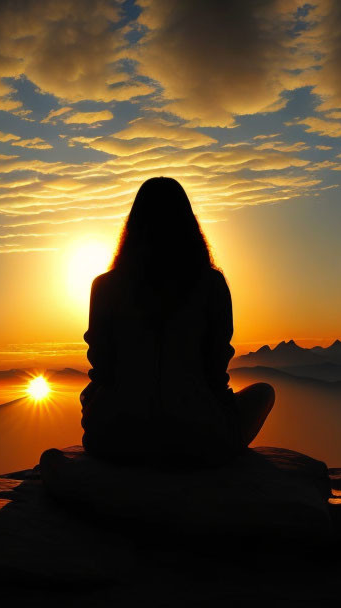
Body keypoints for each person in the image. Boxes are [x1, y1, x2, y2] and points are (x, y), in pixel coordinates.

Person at [80, 177, 275, 465]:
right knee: (264, 393)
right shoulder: (211, 284)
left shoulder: (105, 286)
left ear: (132, 226)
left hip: (113, 439)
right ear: (189, 224)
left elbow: (101, 366)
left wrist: (99, 405)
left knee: (91, 397)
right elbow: (216, 367)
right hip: (197, 440)